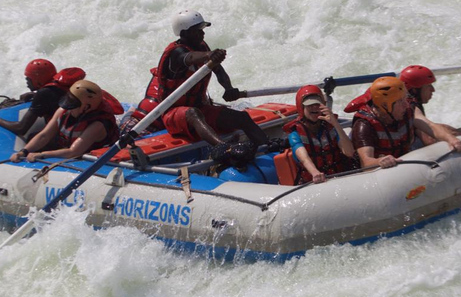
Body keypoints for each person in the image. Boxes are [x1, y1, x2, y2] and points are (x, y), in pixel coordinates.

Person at [153, 9, 270, 162]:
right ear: (184, 34)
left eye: (202, 30)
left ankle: (268, 147)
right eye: (197, 31)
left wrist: (229, 89)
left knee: (242, 117)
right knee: (193, 113)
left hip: (200, 109)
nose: (202, 34)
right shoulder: (176, 53)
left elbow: (219, 71)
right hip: (173, 115)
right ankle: (226, 148)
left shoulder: (202, 47)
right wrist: (209, 56)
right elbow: (189, 58)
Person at [350, 77, 461, 169]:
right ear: (385, 106)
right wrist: (379, 161)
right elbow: (366, 163)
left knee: (451, 132)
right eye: (400, 101)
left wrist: (451, 139)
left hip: (403, 158)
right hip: (376, 175)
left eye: (405, 99)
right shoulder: (364, 125)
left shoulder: (408, 108)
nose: (406, 105)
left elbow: (430, 126)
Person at [10, 80, 122, 162]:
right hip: (66, 148)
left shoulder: (97, 125)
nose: (68, 107)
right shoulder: (63, 111)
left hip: (86, 158)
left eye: (73, 104)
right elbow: (44, 135)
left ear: (86, 107)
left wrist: (41, 155)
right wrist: (24, 151)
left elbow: (74, 152)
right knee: (32, 137)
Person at [0, 59, 85, 137]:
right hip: (84, 128)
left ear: (38, 80)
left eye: (28, 79)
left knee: (32, 138)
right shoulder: (64, 86)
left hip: (70, 134)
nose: (26, 82)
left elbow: (21, 128)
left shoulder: (44, 94)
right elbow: (55, 96)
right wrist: (34, 95)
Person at [283, 85, 357, 184]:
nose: (314, 108)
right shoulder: (295, 134)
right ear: (302, 108)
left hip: (339, 177)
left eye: (317, 104)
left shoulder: (331, 126)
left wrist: (335, 123)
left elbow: (349, 152)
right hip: (314, 182)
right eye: (309, 105)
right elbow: (304, 159)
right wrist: (315, 173)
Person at [399, 65, 461, 147]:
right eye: (428, 86)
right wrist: (453, 139)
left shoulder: (407, 102)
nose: (433, 90)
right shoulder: (409, 107)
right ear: (415, 90)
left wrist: (454, 131)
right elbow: (429, 139)